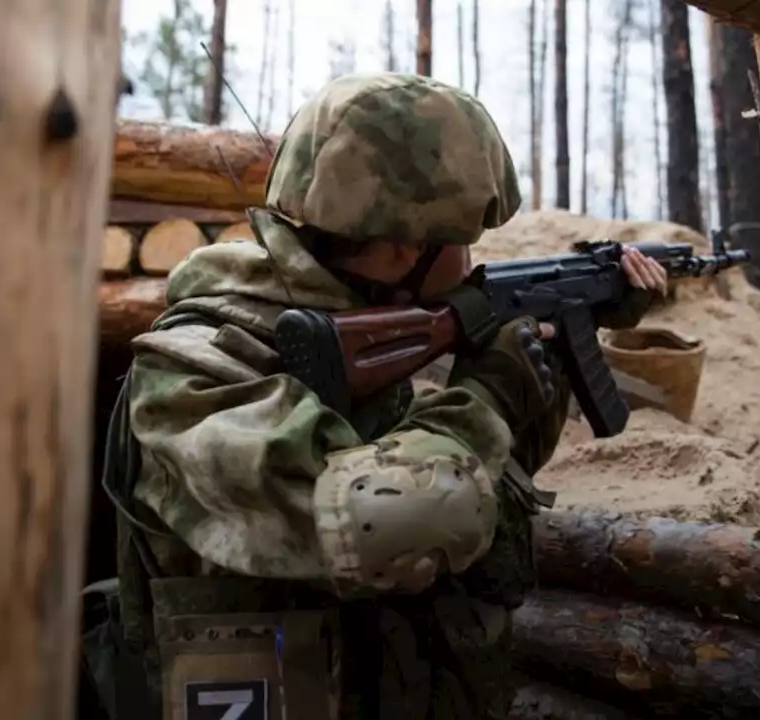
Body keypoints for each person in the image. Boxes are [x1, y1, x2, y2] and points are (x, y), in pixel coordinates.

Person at [91, 71, 668, 720]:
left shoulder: (368, 333)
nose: (474, 262)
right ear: (403, 247)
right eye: (463, 241)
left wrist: (562, 340)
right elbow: (381, 526)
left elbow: (492, 475)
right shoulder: (197, 374)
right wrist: (485, 394)